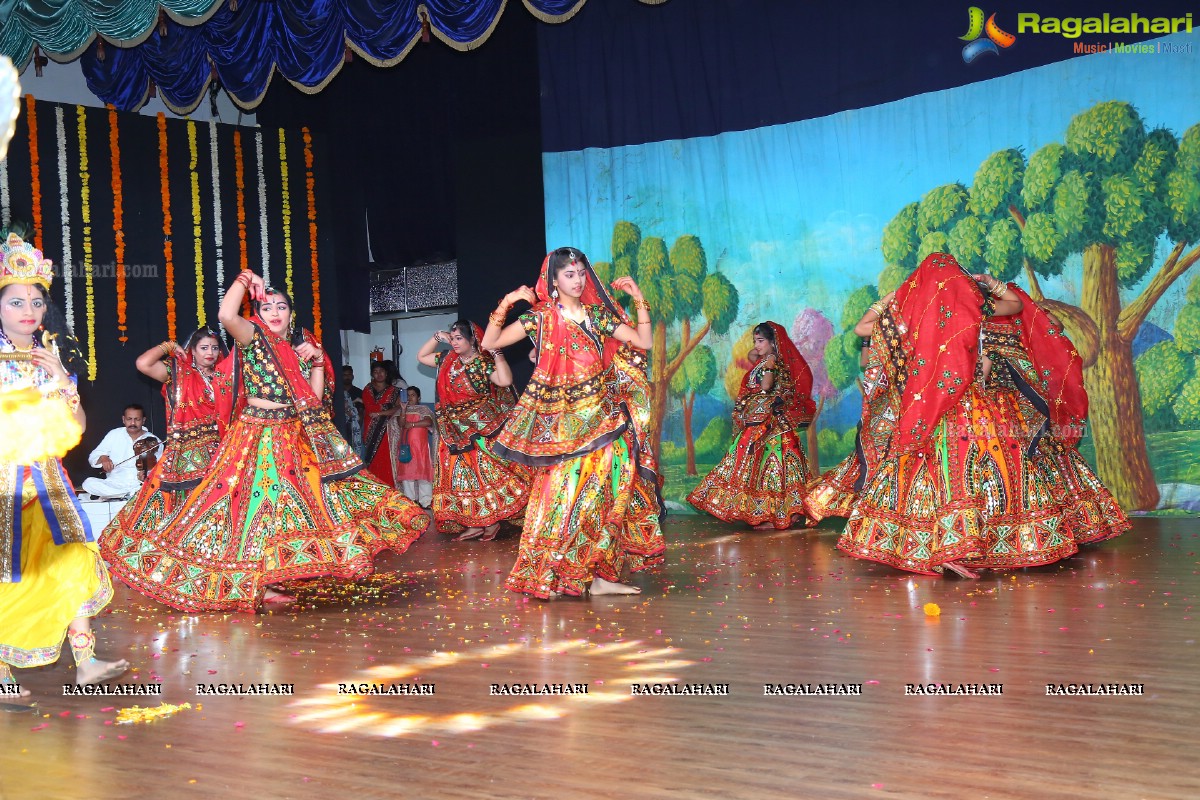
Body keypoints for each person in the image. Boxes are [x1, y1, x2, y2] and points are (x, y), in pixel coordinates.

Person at [100, 270, 429, 613]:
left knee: (299, 504)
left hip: (292, 434)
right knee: (252, 508)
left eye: (281, 307)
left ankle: (275, 573)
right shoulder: (253, 336)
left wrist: (317, 362)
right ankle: (253, 580)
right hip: (256, 435)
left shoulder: (297, 350)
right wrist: (244, 279)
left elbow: (312, 401)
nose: (274, 312)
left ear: (291, 314)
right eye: (267, 306)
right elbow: (227, 315)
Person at [837, 252, 1080, 578]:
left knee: (942, 476)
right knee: (995, 471)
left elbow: (862, 327)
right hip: (975, 407)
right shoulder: (972, 307)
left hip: (931, 409)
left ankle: (956, 546)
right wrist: (990, 283)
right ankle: (983, 544)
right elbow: (1016, 305)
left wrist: (894, 296)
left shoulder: (913, 315)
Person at [482, 247, 665, 598]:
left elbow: (643, 341)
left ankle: (596, 574)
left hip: (603, 422)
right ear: (553, 280)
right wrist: (507, 303)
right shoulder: (541, 317)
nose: (578, 280)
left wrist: (639, 299)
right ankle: (549, 573)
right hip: (563, 430)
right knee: (561, 502)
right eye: (569, 274)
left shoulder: (597, 316)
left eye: (581, 272)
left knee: (609, 496)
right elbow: (490, 342)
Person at [0, 233, 129, 699]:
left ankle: (87, 661)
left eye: (35, 301)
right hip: (4, 482)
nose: (28, 310)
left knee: (73, 559)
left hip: (48, 479)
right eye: (16, 302)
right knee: (9, 570)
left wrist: (60, 381)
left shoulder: (50, 356)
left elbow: (74, 429)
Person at [976, 286, 1129, 545]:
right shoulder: (1005, 318)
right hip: (1017, 403)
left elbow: (1052, 326)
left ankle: (1028, 532)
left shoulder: (984, 319)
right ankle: (1073, 524)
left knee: (1018, 461)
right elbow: (1054, 326)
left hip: (1007, 404)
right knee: (1040, 457)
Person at [99, 328, 232, 586]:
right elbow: (143, 363)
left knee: (216, 514)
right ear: (193, 350)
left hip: (220, 454)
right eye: (203, 347)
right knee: (175, 512)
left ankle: (211, 568)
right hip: (185, 456)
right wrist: (169, 345)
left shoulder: (225, 376)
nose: (210, 353)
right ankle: (171, 568)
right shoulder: (178, 373)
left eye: (214, 348)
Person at [688, 321, 817, 529]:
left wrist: (769, 364)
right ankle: (778, 513)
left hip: (770, 425)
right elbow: (751, 356)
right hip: (758, 421)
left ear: (774, 342)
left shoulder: (772, 361)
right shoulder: (767, 357)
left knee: (773, 469)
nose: (756, 345)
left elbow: (766, 387)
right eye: (755, 341)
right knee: (763, 469)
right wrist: (761, 349)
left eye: (760, 341)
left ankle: (773, 516)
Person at [417, 321, 530, 541]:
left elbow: (505, 380)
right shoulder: (446, 360)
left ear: (472, 340)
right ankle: (475, 522)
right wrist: (436, 336)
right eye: (453, 337)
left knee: (484, 477)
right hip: (453, 431)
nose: (455, 342)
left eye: (459, 338)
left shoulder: (481, 362)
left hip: (479, 429)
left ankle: (491, 522)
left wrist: (496, 352)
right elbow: (421, 357)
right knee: (461, 479)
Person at [805, 292, 898, 521]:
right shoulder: (892, 328)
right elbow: (865, 359)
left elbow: (862, 328)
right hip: (882, 409)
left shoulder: (911, 329)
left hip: (902, 410)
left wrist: (889, 297)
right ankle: (868, 512)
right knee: (869, 455)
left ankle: (880, 512)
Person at [80, 404, 161, 499]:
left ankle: (127, 495)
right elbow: (92, 457)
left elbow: (159, 468)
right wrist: (103, 458)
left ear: (143, 420)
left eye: (137, 419)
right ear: (123, 419)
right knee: (88, 483)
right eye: (129, 419)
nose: (133, 423)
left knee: (157, 486)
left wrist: (145, 476)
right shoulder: (114, 434)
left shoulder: (154, 441)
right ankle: (129, 495)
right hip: (114, 483)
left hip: (139, 484)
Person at [361, 361, 405, 489]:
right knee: (372, 457)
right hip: (370, 428)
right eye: (375, 372)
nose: (379, 374)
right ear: (372, 374)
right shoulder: (367, 389)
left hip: (389, 429)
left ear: (386, 373)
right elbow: (370, 408)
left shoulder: (395, 391)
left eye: (381, 371)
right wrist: (387, 408)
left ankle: (389, 487)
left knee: (387, 457)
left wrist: (381, 412)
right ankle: (374, 487)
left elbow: (399, 408)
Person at [392, 385, 435, 509]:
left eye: (413, 395)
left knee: (423, 472)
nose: (410, 398)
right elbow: (401, 423)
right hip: (406, 446)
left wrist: (412, 424)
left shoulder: (424, 409)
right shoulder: (402, 410)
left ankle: (426, 501)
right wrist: (404, 409)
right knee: (407, 474)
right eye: (408, 395)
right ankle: (410, 501)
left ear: (419, 397)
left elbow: (428, 422)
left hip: (421, 447)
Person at [341, 364, 365, 458]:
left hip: (356, 428)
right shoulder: (337, 392)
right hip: (342, 427)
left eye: (349, 374)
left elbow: (361, 411)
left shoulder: (358, 392)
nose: (347, 377)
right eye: (344, 375)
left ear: (353, 376)